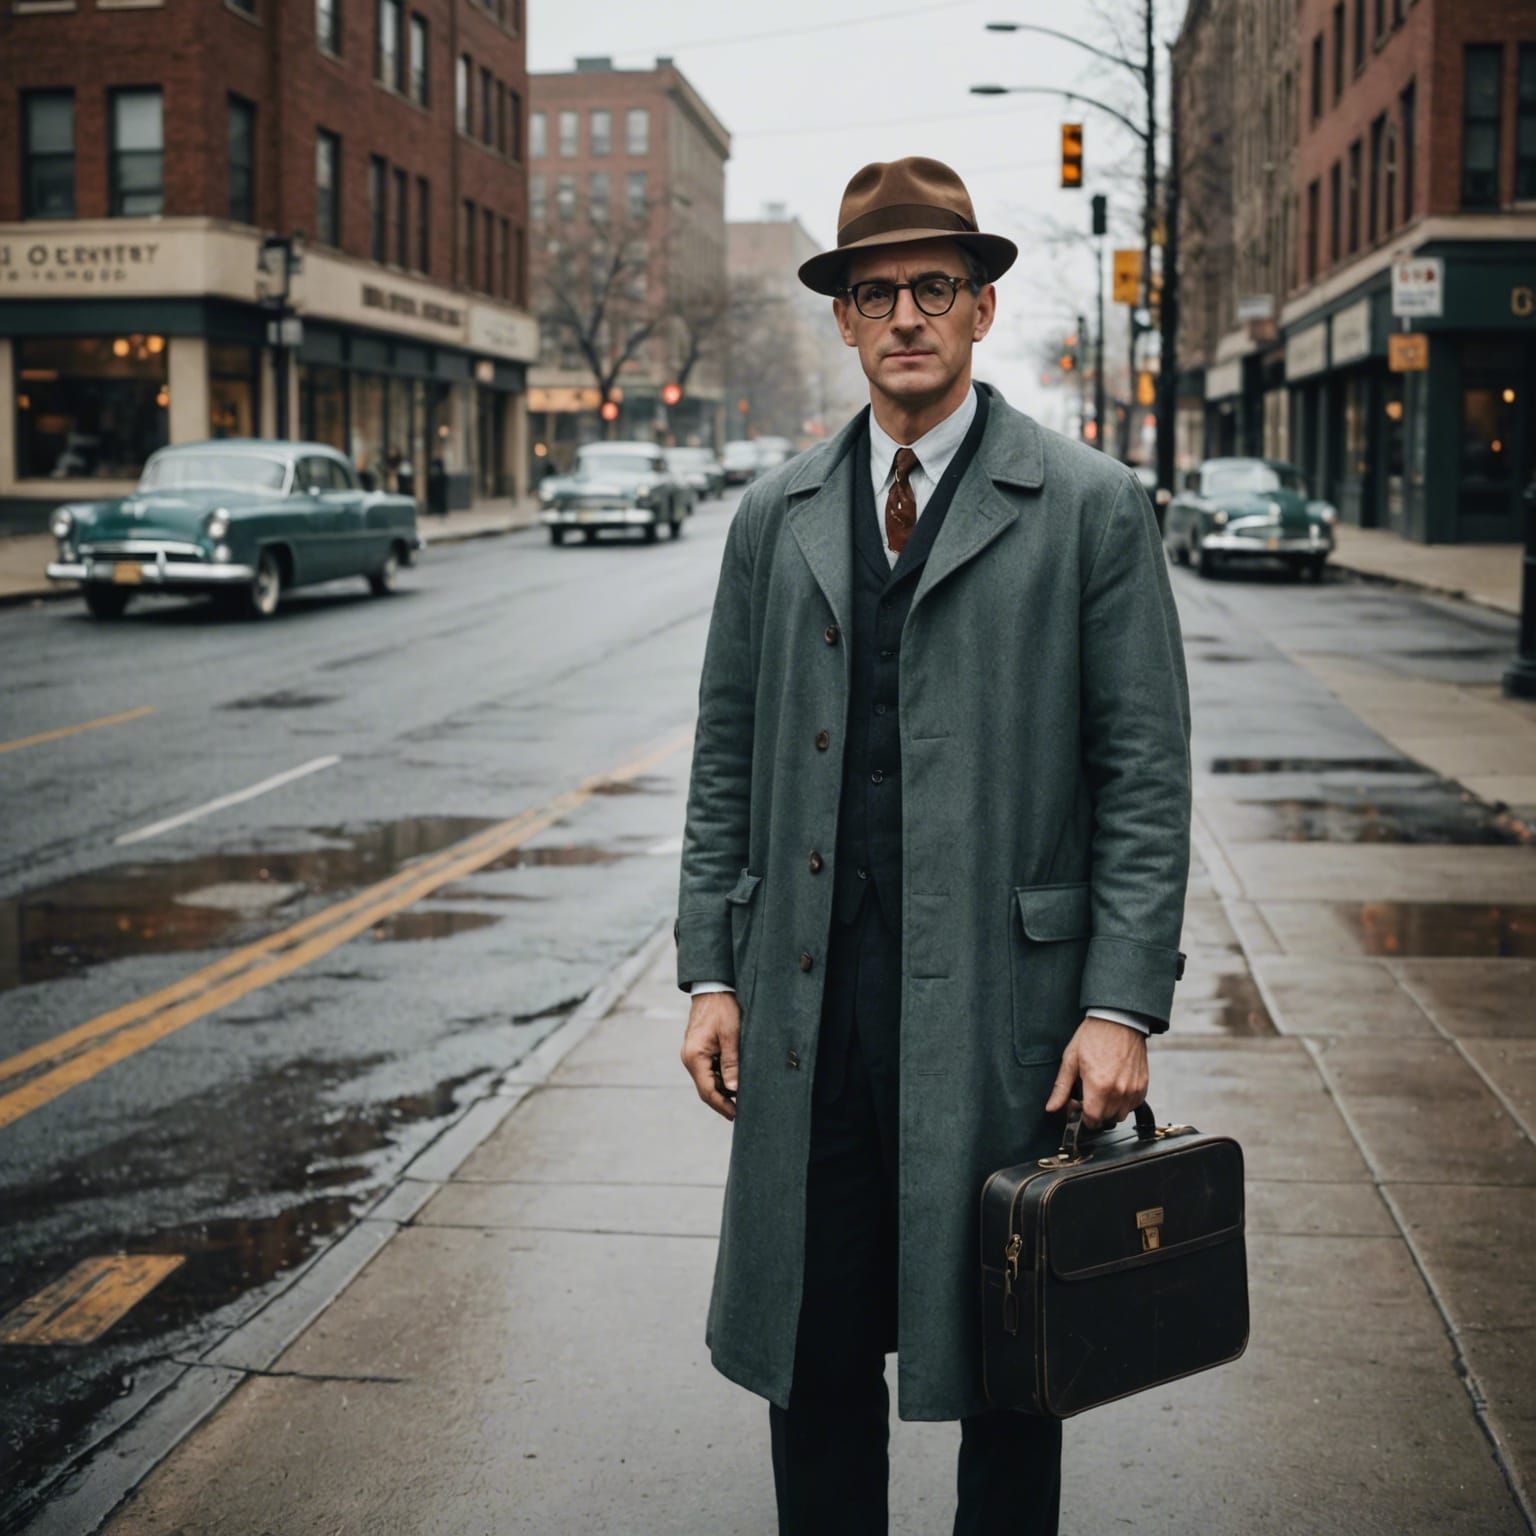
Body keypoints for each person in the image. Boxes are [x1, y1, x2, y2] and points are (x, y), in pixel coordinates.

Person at [675, 156, 1191, 1535]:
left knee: (1016, 1366)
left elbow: (1144, 777)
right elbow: (725, 758)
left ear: (982, 309)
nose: (905, 315)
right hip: (812, 1020)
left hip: (1012, 1027)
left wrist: (1121, 1003)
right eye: (875, 292)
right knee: (815, 1360)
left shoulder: (1088, 505)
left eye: (935, 287)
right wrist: (712, 973)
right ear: (845, 319)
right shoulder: (774, 515)